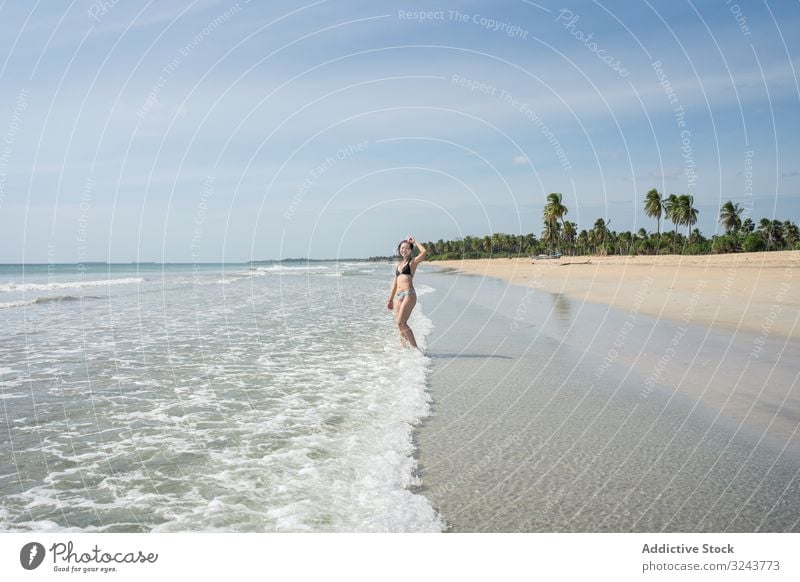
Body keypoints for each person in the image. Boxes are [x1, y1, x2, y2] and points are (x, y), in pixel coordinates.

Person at [387, 236, 427, 348]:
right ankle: (405, 350)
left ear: (410, 250)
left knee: (401, 323)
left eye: (406, 248)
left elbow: (424, 252)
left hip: (409, 294)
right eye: (402, 248)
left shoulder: (412, 263)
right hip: (399, 296)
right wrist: (390, 299)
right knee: (399, 325)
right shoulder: (398, 265)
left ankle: (416, 349)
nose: (404, 250)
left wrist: (415, 242)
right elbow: (394, 285)